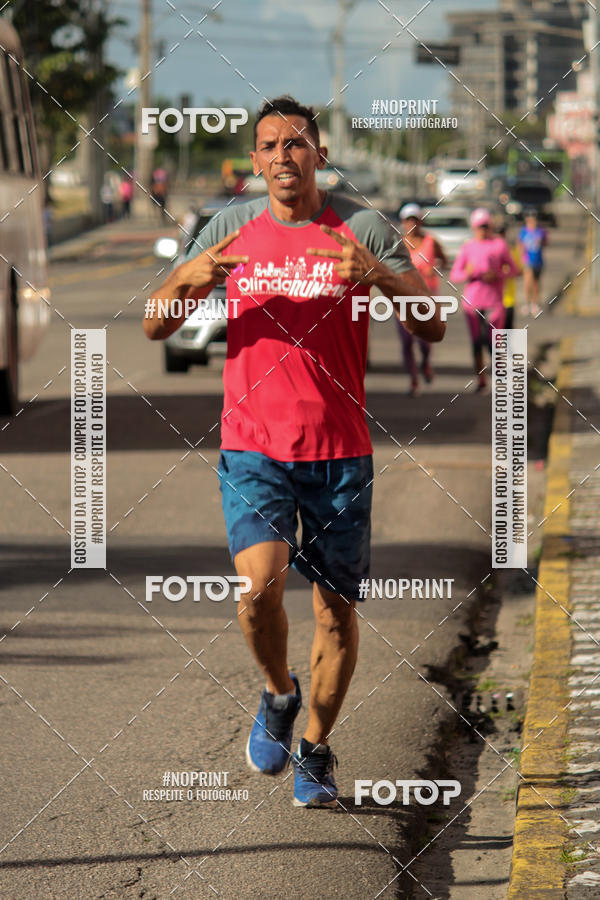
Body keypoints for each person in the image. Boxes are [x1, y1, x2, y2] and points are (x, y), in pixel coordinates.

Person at [143, 95, 446, 808]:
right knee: (258, 593)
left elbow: (432, 325)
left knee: (337, 615)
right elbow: (157, 326)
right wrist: (189, 279)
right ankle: (279, 693)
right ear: (255, 160)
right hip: (254, 446)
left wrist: (382, 275)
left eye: (297, 143)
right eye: (270, 145)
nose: (284, 155)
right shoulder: (229, 227)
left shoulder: (360, 228)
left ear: (321, 154)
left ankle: (314, 751)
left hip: (341, 452)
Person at [450, 208, 520, 392]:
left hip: (495, 302)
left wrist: (498, 274)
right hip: (472, 302)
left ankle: (501, 379)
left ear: (491, 226)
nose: (483, 230)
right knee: (476, 343)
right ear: (473, 227)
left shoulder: (500, 245)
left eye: (486, 226)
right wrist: (469, 273)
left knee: (494, 342)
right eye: (479, 226)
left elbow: (515, 270)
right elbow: (455, 275)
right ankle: (481, 380)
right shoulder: (468, 247)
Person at [398, 203, 448, 396]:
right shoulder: (398, 244)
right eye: (407, 220)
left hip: (427, 299)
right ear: (402, 222)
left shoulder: (430, 241)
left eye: (415, 220)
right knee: (406, 342)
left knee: (424, 342)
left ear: (420, 222)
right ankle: (413, 380)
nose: (411, 224)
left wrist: (433, 267)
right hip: (402, 298)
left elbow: (444, 260)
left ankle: (426, 363)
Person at [519, 209, 547, 315]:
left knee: (536, 283)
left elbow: (545, 243)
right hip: (528, 260)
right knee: (528, 282)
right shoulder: (524, 231)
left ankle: (535, 304)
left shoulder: (541, 231)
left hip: (538, 260)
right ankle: (527, 303)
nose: (532, 222)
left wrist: (541, 242)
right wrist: (521, 257)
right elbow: (520, 244)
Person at [496, 223, 522, 329]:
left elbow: (519, 271)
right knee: (494, 331)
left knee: (508, 328)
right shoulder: (489, 251)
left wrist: (509, 271)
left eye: (502, 234)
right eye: (498, 234)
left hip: (508, 298)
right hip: (493, 299)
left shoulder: (511, 250)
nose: (500, 237)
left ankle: (512, 346)